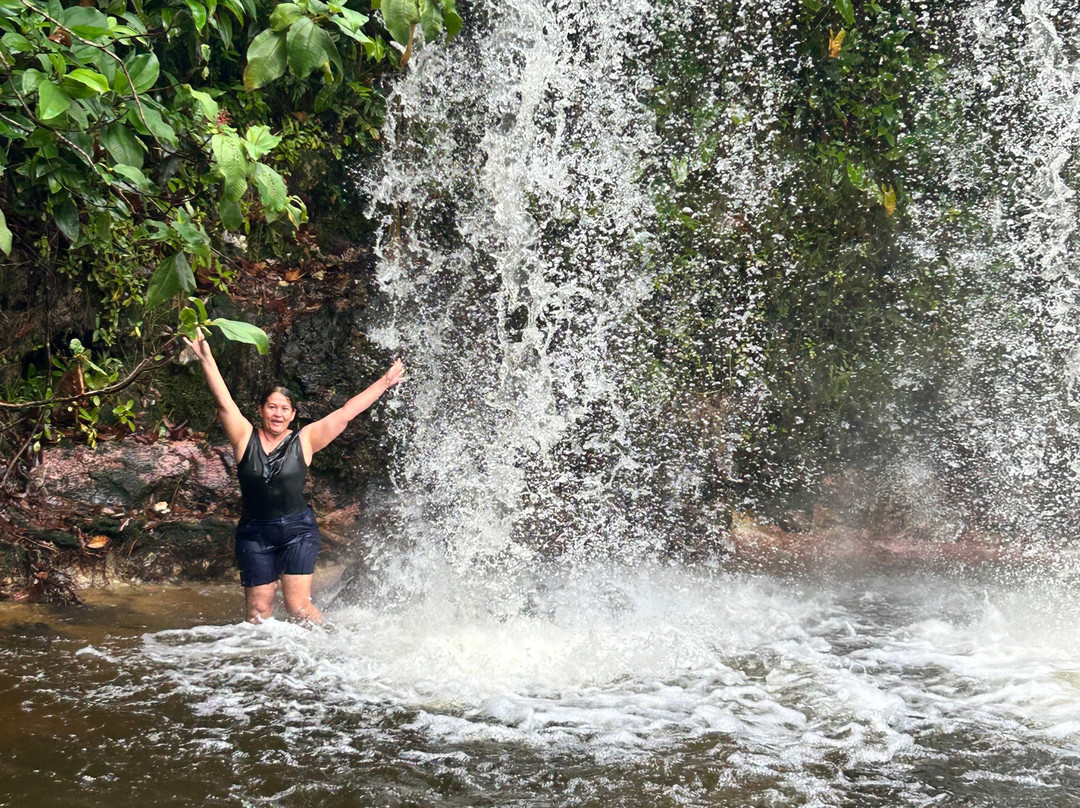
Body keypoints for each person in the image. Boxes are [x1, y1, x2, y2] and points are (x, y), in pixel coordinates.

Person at [184, 329, 404, 623]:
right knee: (258, 613)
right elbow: (224, 402)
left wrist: (385, 382)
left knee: (298, 609)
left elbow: (346, 412)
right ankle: (260, 668)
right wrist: (206, 359)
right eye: (272, 407)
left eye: (284, 409)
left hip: (297, 531)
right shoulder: (243, 438)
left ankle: (329, 650)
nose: (278, 413)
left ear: (292, 414)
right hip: (255, 532)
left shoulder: (306, 439)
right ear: (261, 411)